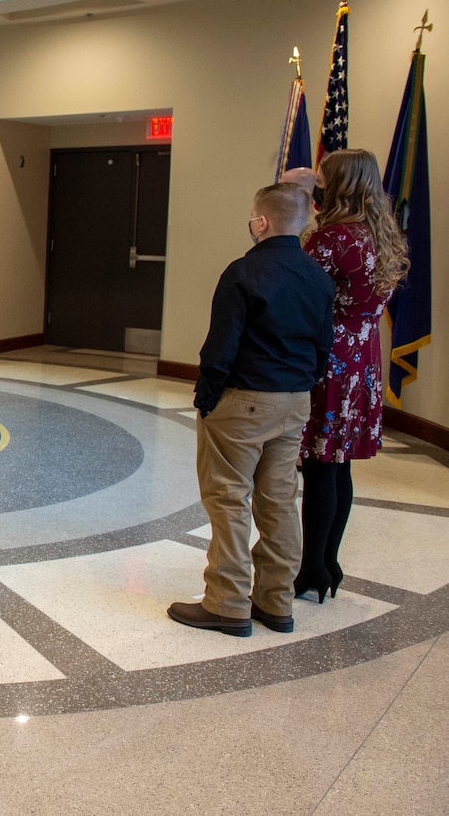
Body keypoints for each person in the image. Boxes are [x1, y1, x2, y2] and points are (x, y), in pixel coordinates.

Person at [169, 183, 334, 637]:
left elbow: (221, 344)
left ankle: (226, 603)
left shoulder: (243, 273)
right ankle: (276, 601)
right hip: (294, 400)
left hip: (243, 400)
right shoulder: (320, 279)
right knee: (279, 500)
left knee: (228, 499)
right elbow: (324, 346)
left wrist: (207, 396)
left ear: (261, 221)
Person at [295, 149, 409, 602]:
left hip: (330, 361)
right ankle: (329, 561)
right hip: (363, 362)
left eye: (322, 179)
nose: (317, 186)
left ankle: (310, 570)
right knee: (337, 467)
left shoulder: (333, 238)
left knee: (320, 466)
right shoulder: (379, 234)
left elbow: (298, 290)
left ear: (337, 184)